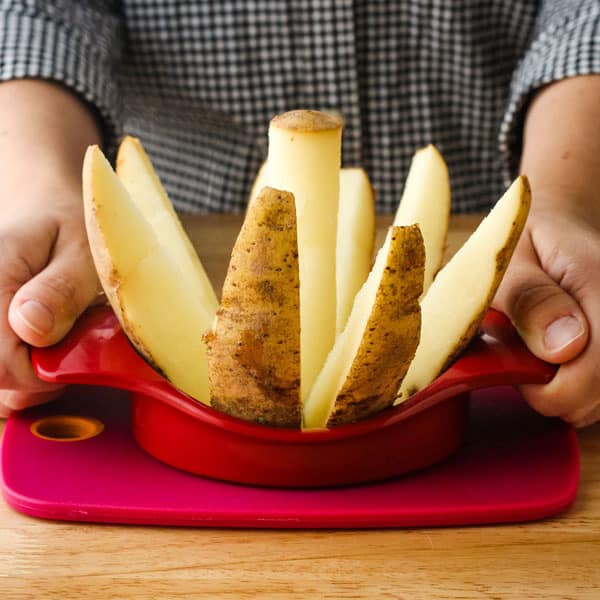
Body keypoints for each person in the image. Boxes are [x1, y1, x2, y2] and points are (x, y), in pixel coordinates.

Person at [0, 1, 599, 426]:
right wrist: (41, 187)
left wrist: (566, 196)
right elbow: (39, 10)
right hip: (187, 224)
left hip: (500, 236)